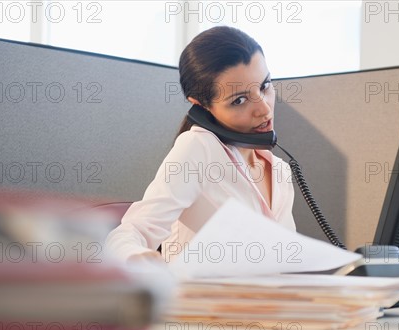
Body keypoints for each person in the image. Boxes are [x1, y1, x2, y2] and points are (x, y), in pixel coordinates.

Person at [105, 26, 296, 264]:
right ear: (202, 106)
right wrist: (141, 260)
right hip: (198, 299)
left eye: (265, 86)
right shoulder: (198, 149)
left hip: (268, 300)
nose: (264, 109)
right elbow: (128, 234)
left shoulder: (280, 170)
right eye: (239, 100)